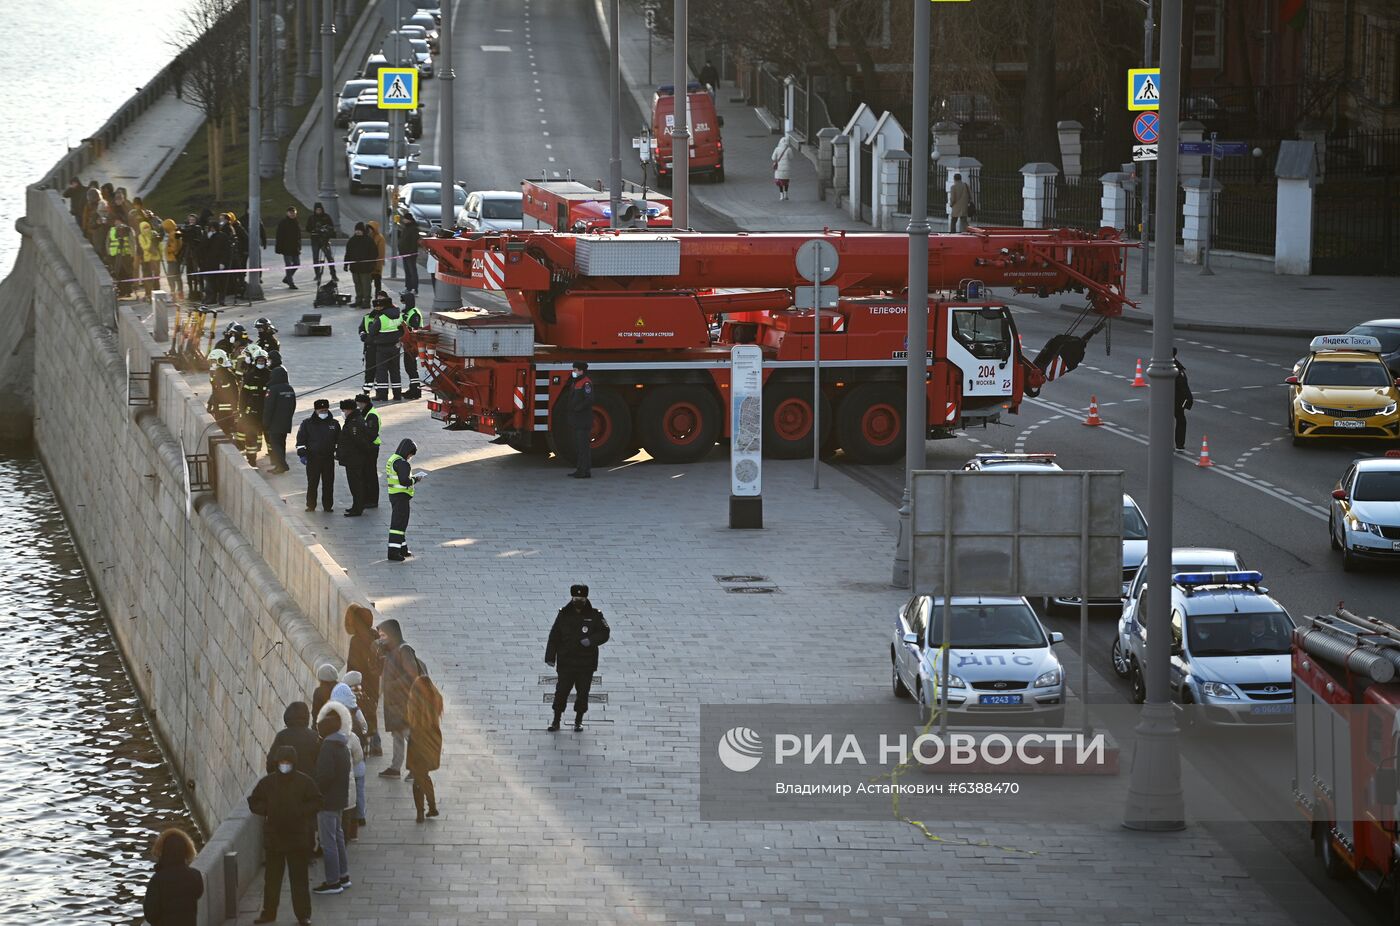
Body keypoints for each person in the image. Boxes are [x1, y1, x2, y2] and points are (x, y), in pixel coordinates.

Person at [248, 745, 321, 925]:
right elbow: (253, 801)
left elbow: (317, 800)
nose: (284, 765)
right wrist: (268, 810)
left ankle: (303, 915)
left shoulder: (305, 782)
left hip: (297, 838)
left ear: (294, 763)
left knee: (299, 880)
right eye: (282, 762)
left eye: (287, 762)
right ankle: (269, 912)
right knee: (272, 880)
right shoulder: (267, 783)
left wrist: (300, 811)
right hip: (275, 839)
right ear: (276, 763)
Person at [545, 584, 610, 731]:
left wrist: (591, 641)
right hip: (566, 661)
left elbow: (605, 632)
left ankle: (578, 720)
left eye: (580, 598)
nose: (577, 600)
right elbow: (554, 636)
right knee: (561, 691)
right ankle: (556, 720)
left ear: (586, 598)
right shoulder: (563, 614)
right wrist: (550, 657)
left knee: (583, 693)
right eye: (575, 598)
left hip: (585, 663)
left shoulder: (595, 615)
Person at [312, 709, 352, 895]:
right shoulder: (342, 745)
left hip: (327, 801)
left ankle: (333, 882)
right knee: (339, 838)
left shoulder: (327, 748)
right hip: (339, 799)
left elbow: (325, 776)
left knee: (328, 842)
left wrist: (316, 791)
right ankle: (343, 876)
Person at [378, 624, 424, 777]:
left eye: (384, 636)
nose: (381, 639)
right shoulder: (391, 651)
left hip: (404, 701)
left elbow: (412, 673)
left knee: (407, 734)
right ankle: (395, 767)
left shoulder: (404, 650)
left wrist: (393, 685)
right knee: (397, 733)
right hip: (394, 702)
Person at [318, 697, 364, 842]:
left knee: (334, 832)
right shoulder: (351, 736)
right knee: (344, 817)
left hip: (331, 795)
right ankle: (348, 837)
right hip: (347, 785)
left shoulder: (324, 740)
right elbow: (359, 756)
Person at [141, 828, 203, 926]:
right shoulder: (195, 875)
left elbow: (151, 915)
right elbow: (198, 893)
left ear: (162, 852)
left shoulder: (157, 880)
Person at [344, 604, 383, 755]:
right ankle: (375, 742)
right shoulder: (375, 636)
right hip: (374, 680)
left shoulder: (356, 641)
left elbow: (352, 664)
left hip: (360, 682)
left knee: (360, 711)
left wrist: (348, 681)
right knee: (372, 708)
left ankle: (368, 741)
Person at [406, 674, 444, 822]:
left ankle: (420, 813)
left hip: (418, 741)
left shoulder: (414, 703)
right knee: (424, 775)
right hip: (433, 740)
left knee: (418, 777)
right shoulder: (436, 700)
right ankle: (432, 807)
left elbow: (410, 720)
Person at [296, 398, 340, 512]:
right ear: (315, 410)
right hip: (313, 459)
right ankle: (311, 505)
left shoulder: (334, 424)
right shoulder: (307, 423)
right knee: (312, 483)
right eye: (321, 411)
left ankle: (328, 506)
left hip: (328, 459)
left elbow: (339, 440)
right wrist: (302, 454)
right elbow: (300, 441)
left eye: (325, 410)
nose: (323, 413)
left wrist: (338, 453)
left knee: (328, 483)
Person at [385, 438, 423, 562]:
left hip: (394, 495)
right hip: (401, 496)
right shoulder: (403, 463)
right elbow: (404, 481)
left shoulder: (393, 459)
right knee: (398, 525)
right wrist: (415, 479)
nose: (410, 456)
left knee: (401, 523)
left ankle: (403, 549)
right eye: (411, 454)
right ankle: (393, 552)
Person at [266, 701, 322, 778]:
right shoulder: (315, 736)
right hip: (308, 785)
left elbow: (271, 763)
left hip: (286, 783)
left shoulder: (282, 736)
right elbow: (322, 764)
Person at [368, 292, 404, 401]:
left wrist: (370, 325)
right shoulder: (398, 315)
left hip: (382, 348)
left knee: (382, 371)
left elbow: (372, 332)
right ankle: (397, 394)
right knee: (395, 370)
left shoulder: (381, 317)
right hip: (395, 347)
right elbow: (403, 329)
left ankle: (383, 395)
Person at [240, 346, 272, 465]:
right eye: (259, 361)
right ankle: (251, 460)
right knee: (251, 436)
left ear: (266, 361)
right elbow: (243, 395)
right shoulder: (249, 375)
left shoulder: (270, 375)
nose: (261, 363)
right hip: (252, 412)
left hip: (266, 412)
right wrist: (242, 411)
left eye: (262, 361)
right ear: (255, 361)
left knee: (269, 436)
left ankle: (274, 458)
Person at [337, 398, 369, 516]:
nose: (343, 413)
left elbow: (358, 441)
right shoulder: (353, 420)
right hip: (352, 458)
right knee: (355, 484)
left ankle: (358, 508)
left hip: (354, 459)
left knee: (356, 484)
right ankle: (356, 506)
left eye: (343, 410)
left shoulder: (354, 422)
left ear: (348, 410)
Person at [263, 364, 297, 473]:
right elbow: (293, 405)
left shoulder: (272, 389)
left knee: (275, 444)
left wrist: (265, 423)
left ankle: (282, 465)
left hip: (275, 422)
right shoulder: (289, 388)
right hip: (286, 421)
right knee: (282, 443)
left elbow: (269, 408)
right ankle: (279, 466)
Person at [565, 361, 594, 478]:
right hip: (577, 420)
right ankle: (580, 469)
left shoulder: (586, 383)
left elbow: (589, 399)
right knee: (579, 446)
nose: (573, 372)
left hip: (583, 419)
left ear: (581, 371)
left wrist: (577, 408)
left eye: (575, 370)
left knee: (583, 447)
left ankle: (585, 471)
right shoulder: (576, 382)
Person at [356, 393, 382, 508]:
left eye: (358, 403)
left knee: (370, 474)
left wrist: (362, 443)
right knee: (366, 474)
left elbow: (371, 433)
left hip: (371, 448)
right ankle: (367, 498)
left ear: (363, 403)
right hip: (367, 448)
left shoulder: (371, 415)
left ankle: (372, 500)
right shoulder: (365, 412)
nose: (357, 406)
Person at [344, 223, 377, 309]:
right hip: (355, 268)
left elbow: (374, 254)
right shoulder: (352, 241)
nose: (358, 232)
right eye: (356, 230)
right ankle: (358, 300)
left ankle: (366, 301)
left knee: (366, 285)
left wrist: (372, 265)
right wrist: (346, 264)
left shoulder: (369, 241)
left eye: (360, 230)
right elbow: (348, 253)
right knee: (357, 284)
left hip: (365, 268)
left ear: (363, 231)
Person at [206, 349, 239, 435]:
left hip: (227, 412)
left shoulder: (227, 375)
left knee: (227, 432)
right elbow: (216, 392)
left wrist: (235, 410)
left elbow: (234, 394)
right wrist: (210, 403)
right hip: (219, 410)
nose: (212, 364)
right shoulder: (217, 374)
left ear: (220, 361)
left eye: (213, 361)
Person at [201, 218, 233, 306]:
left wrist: (223, 262)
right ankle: (212, 298)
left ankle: (221, 299)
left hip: (219, 262)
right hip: (210, 263)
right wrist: (208, 238)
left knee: (221, 283)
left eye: (212, 228)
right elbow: (203, 248)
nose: (211, 229)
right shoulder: (207, 236)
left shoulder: (222, 236)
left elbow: (226, 250)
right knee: (211, 282)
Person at [400, 291, 424, 399]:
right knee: (409, 367)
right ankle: (413, 388)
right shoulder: (408, 312)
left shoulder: (414, 313)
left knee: (411, 368)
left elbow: (415, 329)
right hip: (408, 344)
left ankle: (416, 391)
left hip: (413, 345)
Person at [306, 203, 337, 285]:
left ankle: (333, 274)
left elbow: (332, 228)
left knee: (329, 258)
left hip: (325, 240)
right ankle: (317, 274)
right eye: (317, 210)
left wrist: (325, 229)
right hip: (315, 240)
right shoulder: (311, 218)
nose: (318, 211)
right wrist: (315, 229)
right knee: (315, 258)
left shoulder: (326, 217)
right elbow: (308, 228)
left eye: (320, 209)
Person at [276, 206, 303, 289]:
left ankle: (287, 278)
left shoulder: (296, 222)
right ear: (287, 213)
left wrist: (299, 246)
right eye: (291, 213)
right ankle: (291, 283)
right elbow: (279, 236)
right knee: (288, 265)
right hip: (286, 248)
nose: (292, 214)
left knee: (297, 264)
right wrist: (279, 247)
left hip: (295, 247)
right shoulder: (283, 222)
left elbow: (299, 236)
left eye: (294, 213)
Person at [1174, 348, 1194, 451]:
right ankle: (1179, 444)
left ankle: (1162, 442)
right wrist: (1189, 399)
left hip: (1166, 399)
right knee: (1181, 420)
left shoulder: (1162, 364)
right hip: (1176, 400)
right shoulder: (1176, 367)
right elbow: (1183, 385)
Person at [161, 217, 184, 299]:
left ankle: (173, 293)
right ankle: (180, 293)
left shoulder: (172, 234)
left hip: (172, 258)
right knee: (177, 277)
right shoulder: (177, 232)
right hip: (176, 258)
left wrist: (168, 250)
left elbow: (174, 247)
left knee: (171, 277)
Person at [771, 134, 797, 201]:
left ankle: (781, 196)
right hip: (787, 169)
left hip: (779, 169)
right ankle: (786, 195)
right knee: (786, 182)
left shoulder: (777, 149)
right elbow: (791, 157)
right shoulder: (789, 149)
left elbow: (773, 157)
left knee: (780, 182)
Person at [398, 213, 421, 293]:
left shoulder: (413, 229)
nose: (403, 220)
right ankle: (408, 287)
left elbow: (413, 242)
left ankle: (414, 288)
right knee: (407, 272)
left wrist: (411, 252)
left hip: (410, 254)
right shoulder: (406, 228)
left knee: (412, 271)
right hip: (405, 253)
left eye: (405, 218)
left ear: (409, 219)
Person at [367, 220, 386, 293]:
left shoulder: (380, 238)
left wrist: (378, 267)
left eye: (370, 229)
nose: (369, 230)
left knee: (377, 284)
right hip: (369, 265)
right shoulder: (368, 237)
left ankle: (378, 299)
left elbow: (381, 253)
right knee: (367, 284)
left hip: (376, 266)